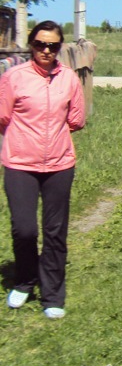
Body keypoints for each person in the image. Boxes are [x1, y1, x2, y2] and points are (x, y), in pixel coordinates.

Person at [0, 21, 86, 319]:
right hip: (20, 164)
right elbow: (3, 117)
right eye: (40, 45)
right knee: (24, 229)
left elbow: (76, 119)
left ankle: (52, 296)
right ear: (31, 45)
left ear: (59, 48)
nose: (46, 51)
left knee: (55, 232)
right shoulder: (13, 78)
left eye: (53, 46)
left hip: (59, 165)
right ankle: (24, 281)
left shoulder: (69, 79)